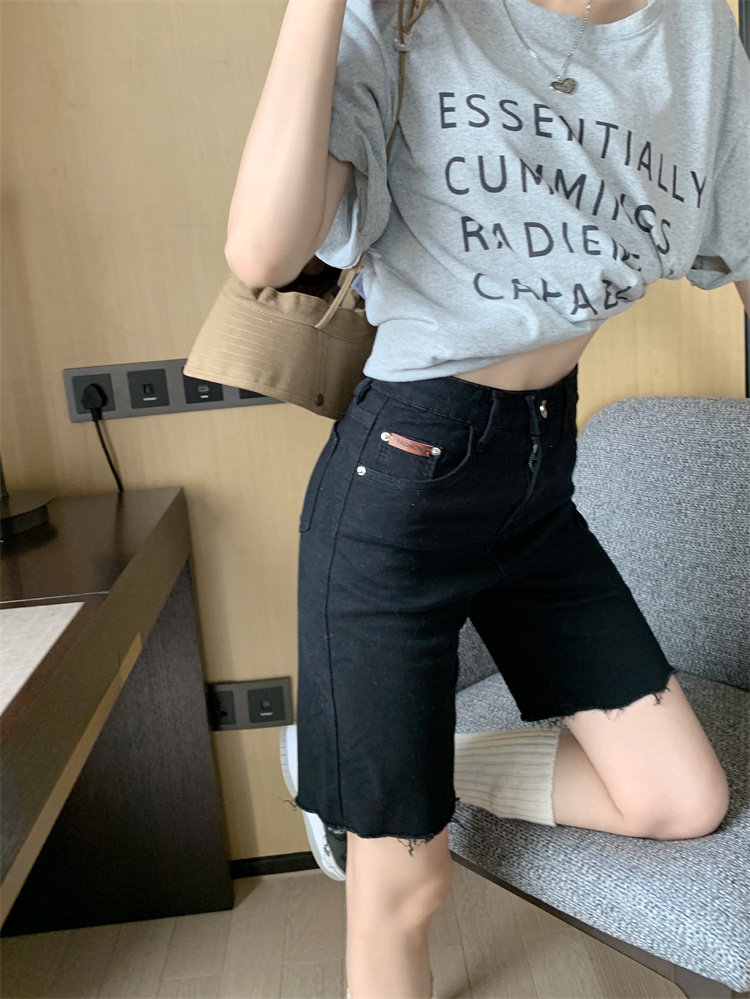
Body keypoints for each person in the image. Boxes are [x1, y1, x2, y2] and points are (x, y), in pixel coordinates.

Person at [225, 0, 750, 995]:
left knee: (682, 798)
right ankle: (380, 793)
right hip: (401, 486)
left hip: (538, 483)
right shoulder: (408, 11)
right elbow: (262, 252)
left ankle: (396, 767)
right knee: (405, 894)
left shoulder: (693, 29)